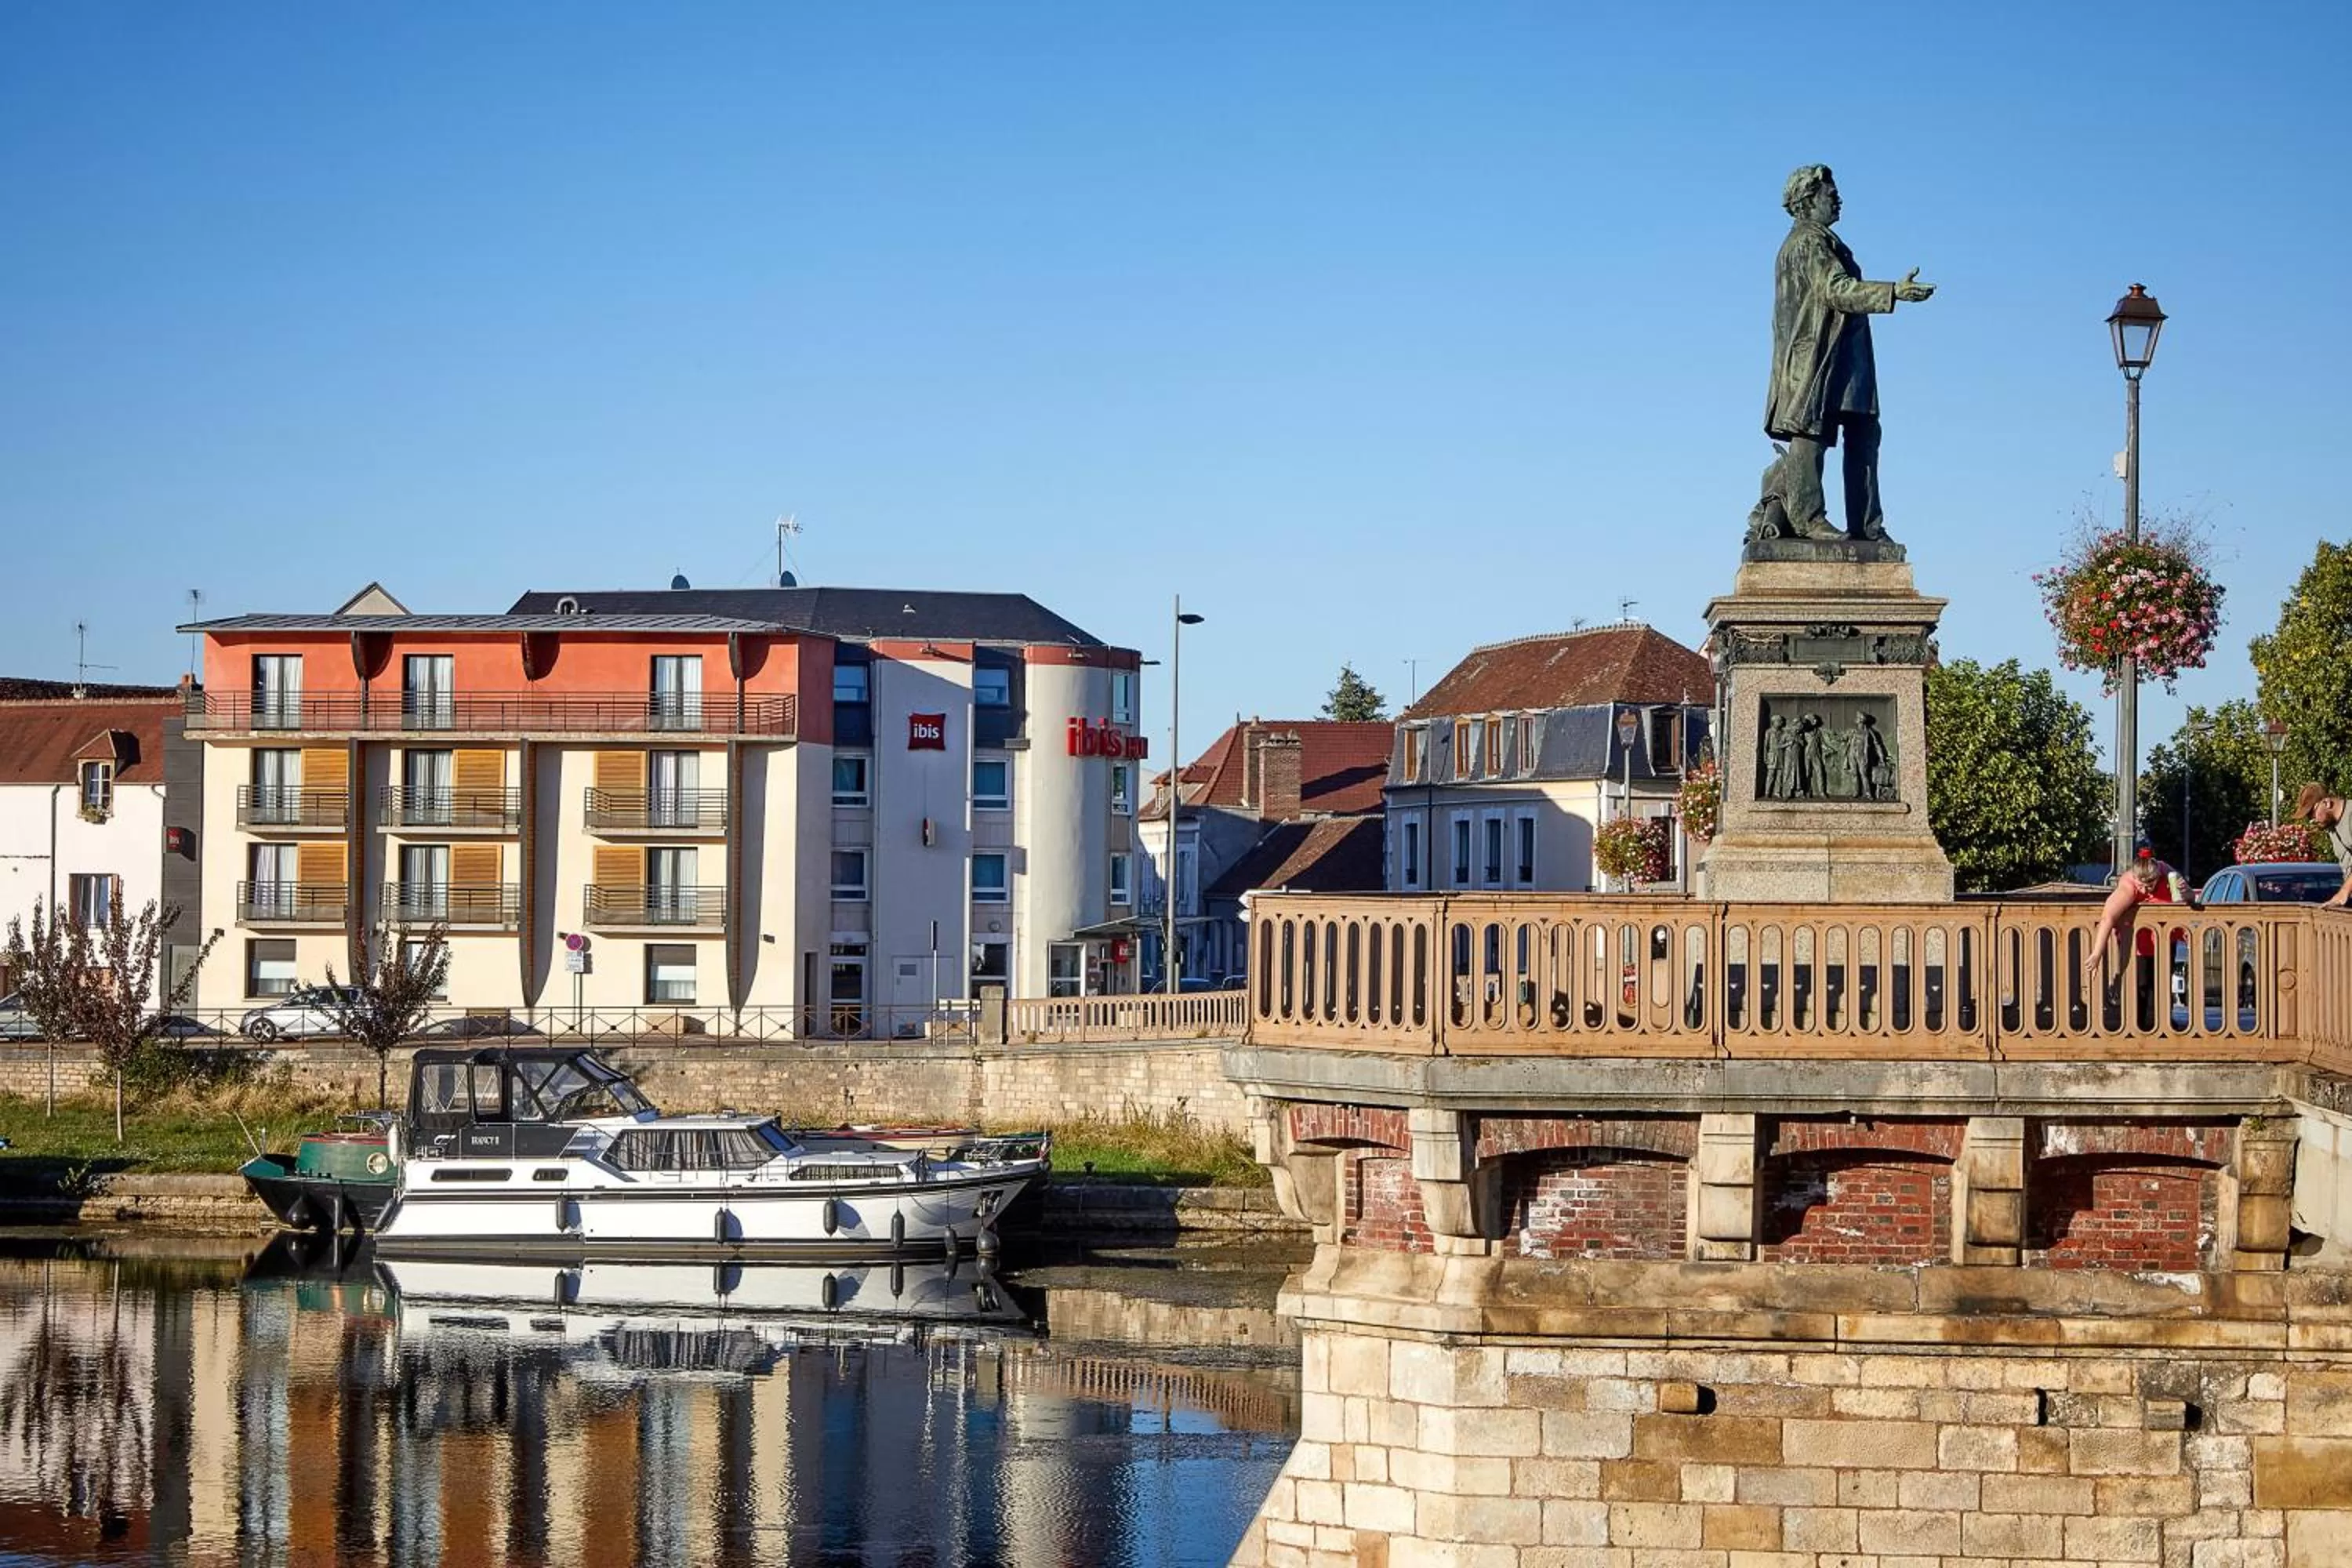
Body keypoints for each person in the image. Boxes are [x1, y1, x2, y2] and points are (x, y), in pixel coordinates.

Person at [1747, 165, 1936, 544]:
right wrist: (1893, 292)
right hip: (1816, 359)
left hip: (1846, 359)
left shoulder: (1824, 241)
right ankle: (1808, 519)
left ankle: (1867, 527)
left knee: (1864, 435)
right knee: (1809, 434)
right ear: (1806, 201)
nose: (1837, 198)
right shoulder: (1807, 243)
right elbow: (1836, 289)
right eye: (1828, 193)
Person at [2090, 840, 2196, 1029]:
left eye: (2151, 885)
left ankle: (2164, 1024)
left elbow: (2188, 898)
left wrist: (2186, 891)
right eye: (2142, 886)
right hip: (2138, 941)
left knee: (2163, 982)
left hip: (2165, 937)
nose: (2147, 890)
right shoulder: (2127, 886)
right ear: (2135, 878)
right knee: (2141, 984)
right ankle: (2139, 1025)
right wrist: (2097, 953)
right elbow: (2107, 917)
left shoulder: (2167, 872)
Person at [2293, 784, 2352, 908]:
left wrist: (2344, 892)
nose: (2312, 820)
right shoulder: (2331, 827)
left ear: (2327, 802)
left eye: (2313, 814)